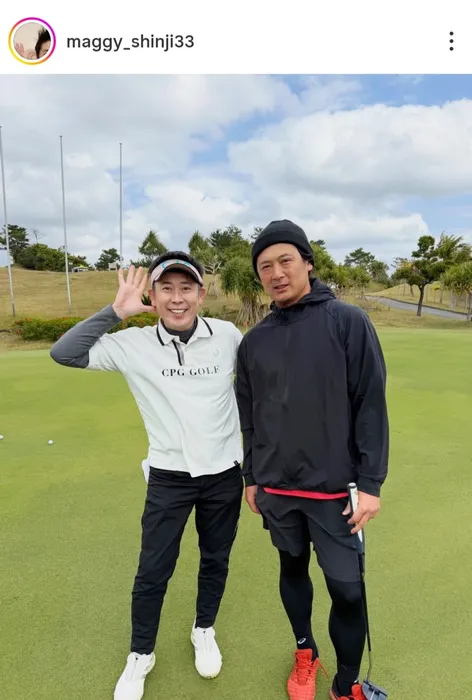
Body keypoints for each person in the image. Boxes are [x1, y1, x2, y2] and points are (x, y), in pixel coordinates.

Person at [50, 252, 244, 700]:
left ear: (201, 294)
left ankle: (203, 629)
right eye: (166, 289)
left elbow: (260, 387)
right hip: (169, 477)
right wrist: (115, 312)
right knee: (153, 570)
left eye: (186, 288)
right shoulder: (132, 343)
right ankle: (141, 653)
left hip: (223, 474)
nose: (177, 299)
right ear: (152, 296)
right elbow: (64, 353)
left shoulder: (227, 335)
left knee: (215, 558)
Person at [235, 221, 389, 700]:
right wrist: (251, 477)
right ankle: (306, 652)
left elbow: (370, 404)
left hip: (336, 492)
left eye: (285, 261)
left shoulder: (347, 321)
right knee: (292, 570)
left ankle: (346, 684)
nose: (276, 273)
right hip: (278, 490)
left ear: (307, 262)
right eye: (265, 266)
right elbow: (249, 416)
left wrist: (371, 483)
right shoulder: (254, 341)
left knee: (347, 590)